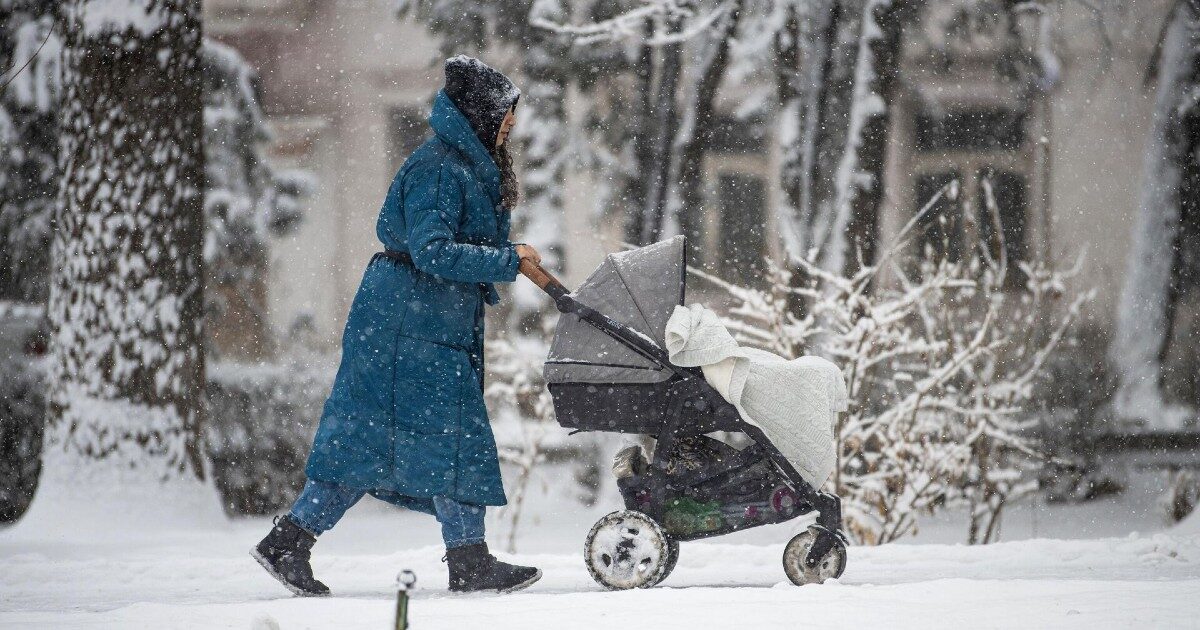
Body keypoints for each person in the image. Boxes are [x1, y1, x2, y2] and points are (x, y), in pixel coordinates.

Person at [251, 55, 543, 597]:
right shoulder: (439, 169)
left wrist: (504, 258)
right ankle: (465, 560)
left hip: (423, 324)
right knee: (423, 439)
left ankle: (294, 542)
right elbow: (433, 251)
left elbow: (450, 248)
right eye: (504, 115)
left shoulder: (463, 167)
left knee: (392, 442)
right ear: (479, 114)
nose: (510, 125)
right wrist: (506, 260)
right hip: (407, 327)